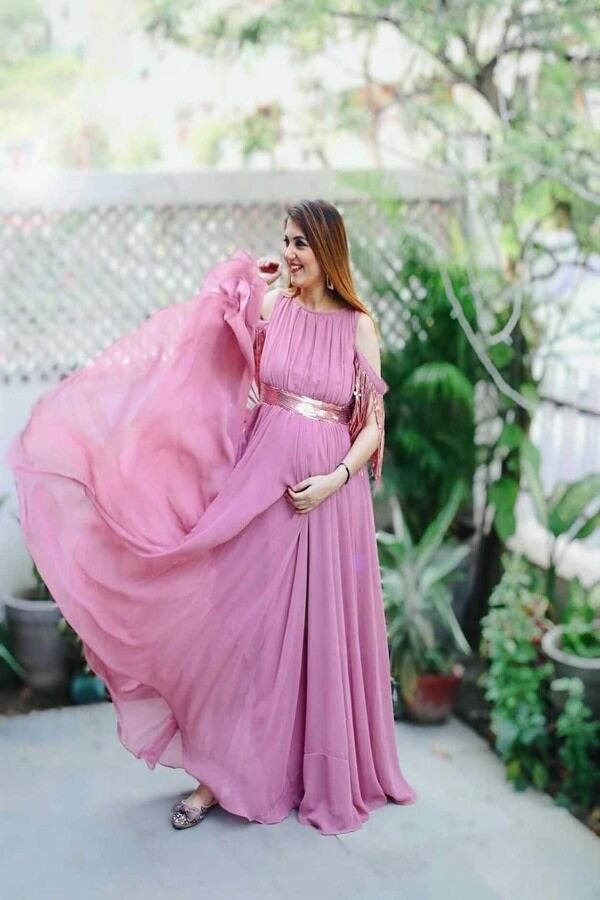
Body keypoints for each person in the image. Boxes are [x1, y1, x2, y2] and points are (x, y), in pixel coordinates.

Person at [8, 198, 417, 836]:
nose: (290, 252)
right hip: (262, 484)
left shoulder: (360, 327)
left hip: (330, 498)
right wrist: (247, 277)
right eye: (285, 240)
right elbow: (210, 324)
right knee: (239, 627)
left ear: (329, 250)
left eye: (301, 243)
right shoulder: (274, 308)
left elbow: (371, 424)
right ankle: (216, 776)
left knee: (318, 630)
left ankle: (317, 770)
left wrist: (335, 480)